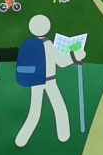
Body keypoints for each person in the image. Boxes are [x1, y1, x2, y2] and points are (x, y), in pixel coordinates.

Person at [14, 14, 83, 147]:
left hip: (35, 81)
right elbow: (61, 63)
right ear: (47, 27)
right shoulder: (48, 44)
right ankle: (64, 135)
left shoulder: (29, 44)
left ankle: (21, 140)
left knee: (34, 112)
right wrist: (76, 55)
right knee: (59, 108)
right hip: (50, 81)